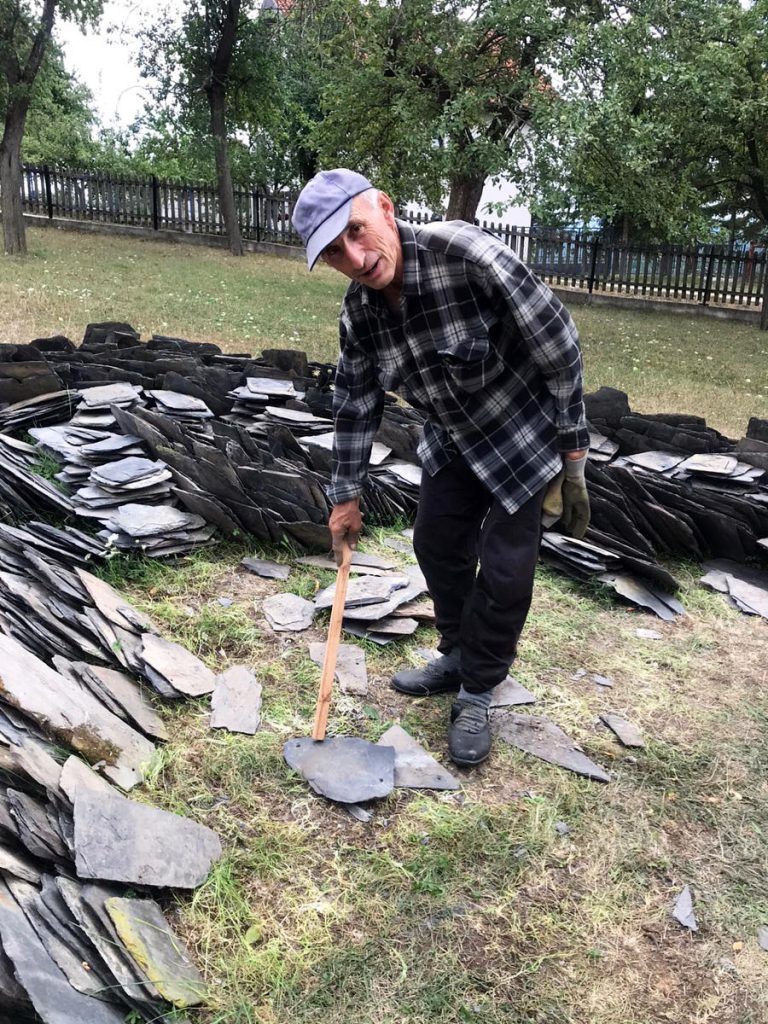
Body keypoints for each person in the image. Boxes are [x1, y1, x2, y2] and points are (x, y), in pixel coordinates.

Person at [292, 169, 590, 767]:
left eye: (357, 232)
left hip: (520, 436)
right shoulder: (360, 314)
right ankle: (457, 651)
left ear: (384, 207)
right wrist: (345, 495)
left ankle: (479, 687)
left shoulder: (468, 256)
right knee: (434, 541)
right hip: (451, 437)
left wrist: (573, 448)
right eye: (333, 251)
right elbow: (355, 401)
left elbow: (559, 343)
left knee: (506, 571)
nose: (353, 256)